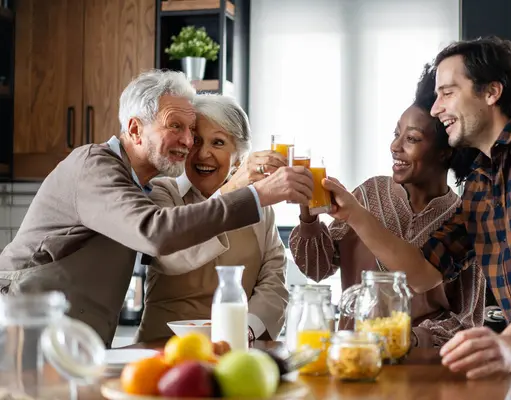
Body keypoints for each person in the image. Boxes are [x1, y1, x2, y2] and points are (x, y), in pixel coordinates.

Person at [320, 37, 511, 399]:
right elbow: (421, 274)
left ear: (491, 92)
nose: (436, 109)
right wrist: (353, 214)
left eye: (447, 93)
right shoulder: (480, 186)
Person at [0, 70, 314, 347]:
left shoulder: (137, 187)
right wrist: (253, 193)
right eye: (175, 126)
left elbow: (274, 279)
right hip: (23, 327)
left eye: (190, 129)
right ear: (135, 129)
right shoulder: (94, 165)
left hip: (71, 340)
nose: (189, 142)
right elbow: (157, 233)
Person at [289, 64, 485, 347]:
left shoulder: (463, 221)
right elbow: (317, 268)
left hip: (424, 372)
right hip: (354, 358)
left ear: (445, 151)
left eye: (412, 139)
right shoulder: (369, 194)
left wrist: (407, 339)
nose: (395, 146)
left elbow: (466, 319)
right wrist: (309, 216)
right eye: (396, 134)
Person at [136, 94, 288, 343]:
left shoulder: (259, 204)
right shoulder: (162, 192)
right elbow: (169, 257)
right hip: (164, 345)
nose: (203, 154)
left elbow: (274, 281)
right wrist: (234, 191)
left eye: (217, 143)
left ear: (239, 156)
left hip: (236, 347)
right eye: (195, 141)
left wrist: (244, 331)